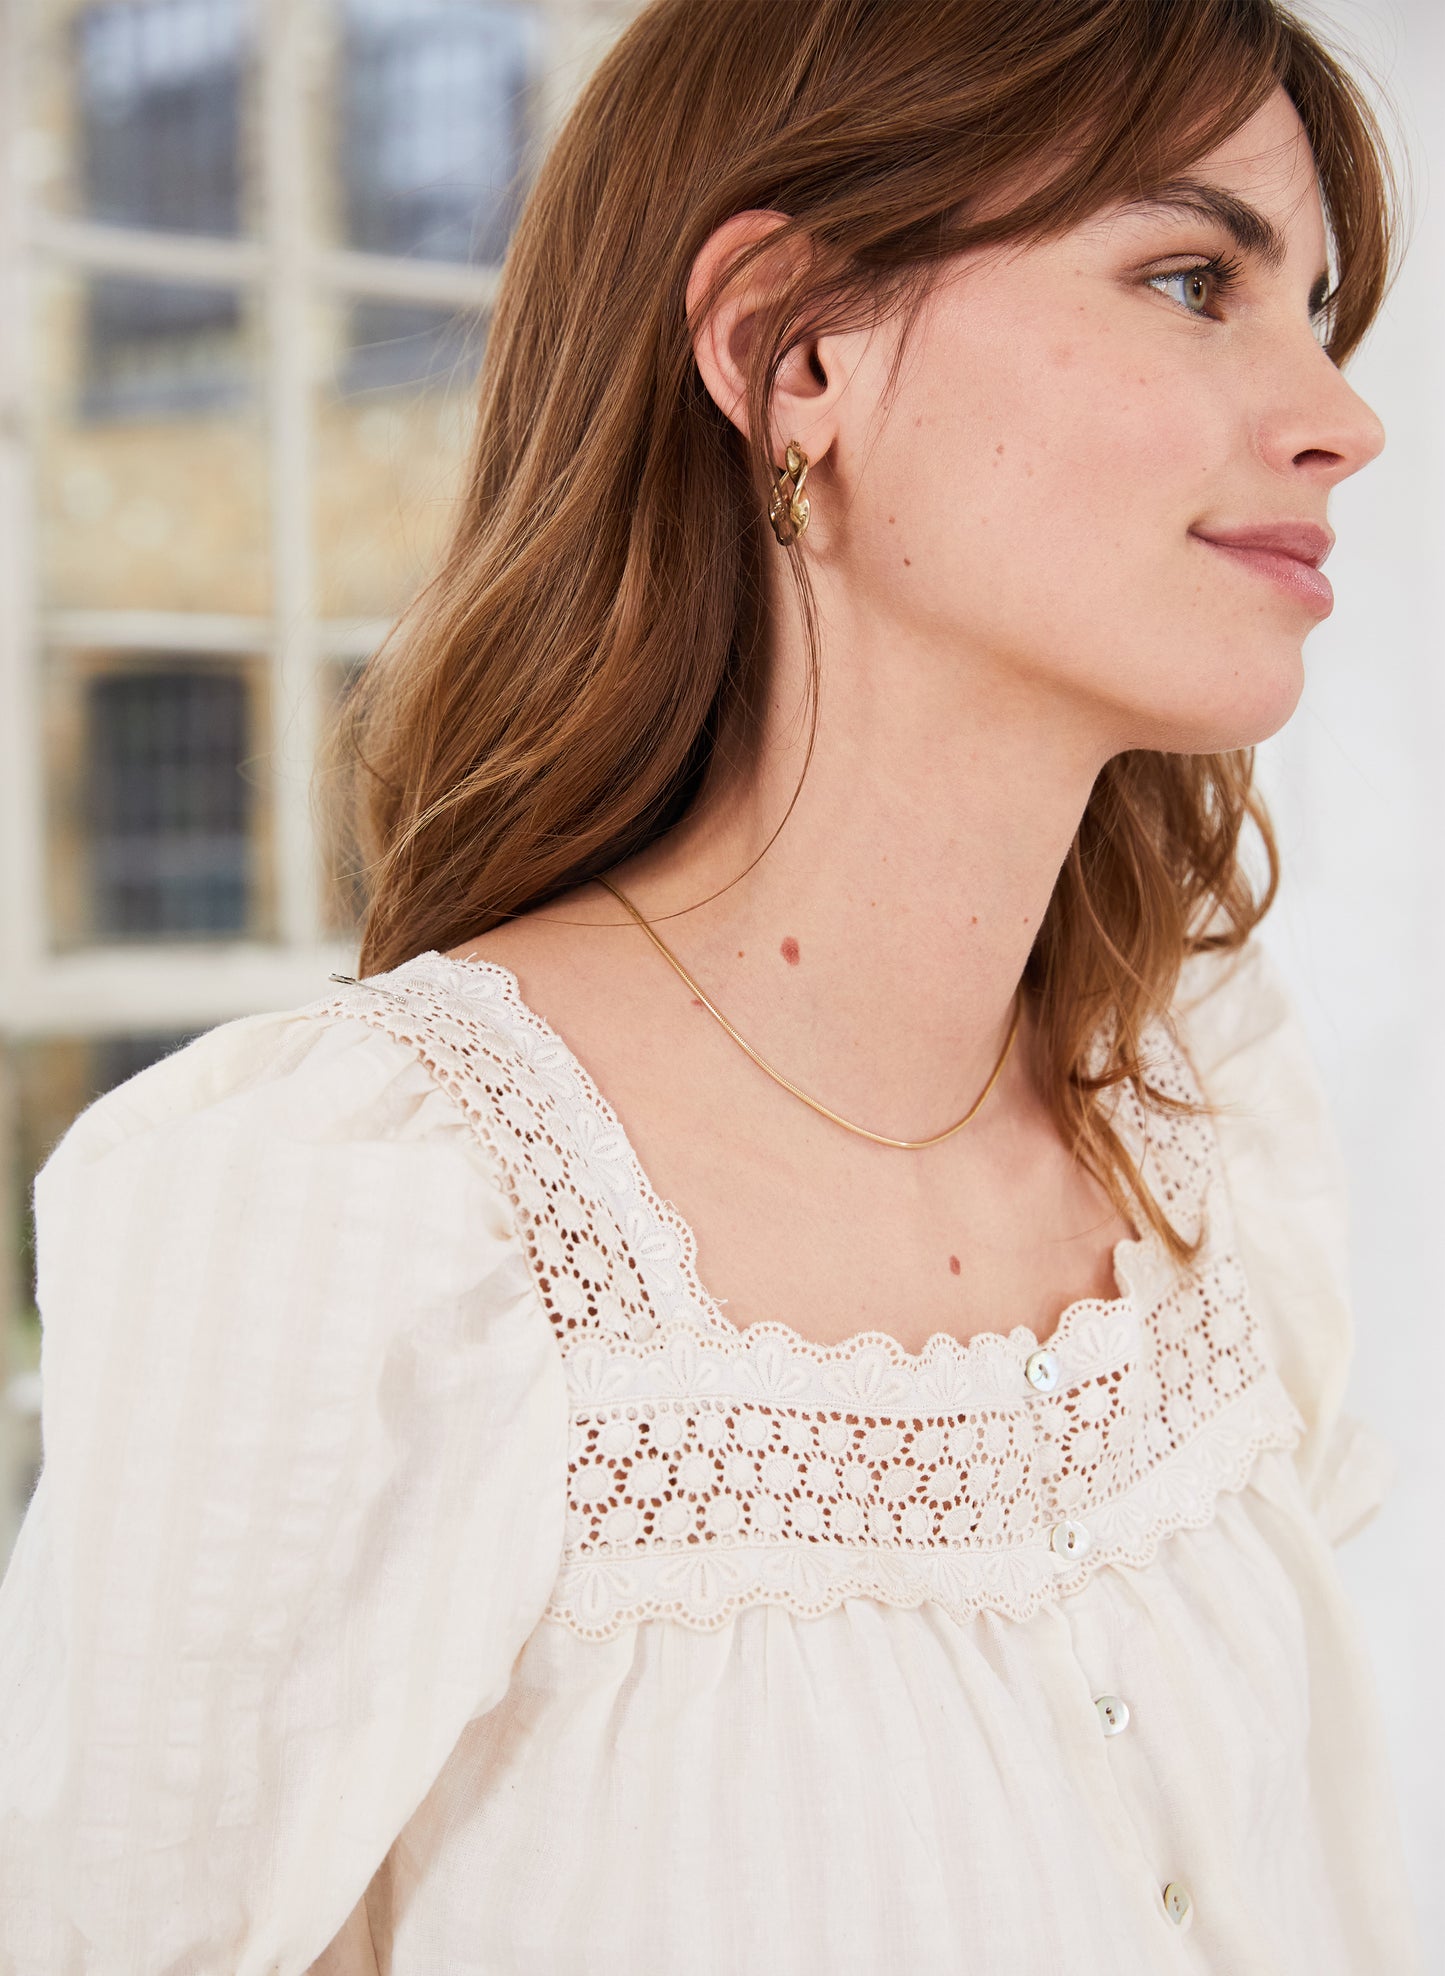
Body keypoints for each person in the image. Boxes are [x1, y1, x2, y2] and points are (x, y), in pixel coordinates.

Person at [0, 0, 1426, 1969]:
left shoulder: (1200, 1117)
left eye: (1318, 312)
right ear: (792, 349)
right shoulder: (358, 1216)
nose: (1344, 417)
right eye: (1194, 280)